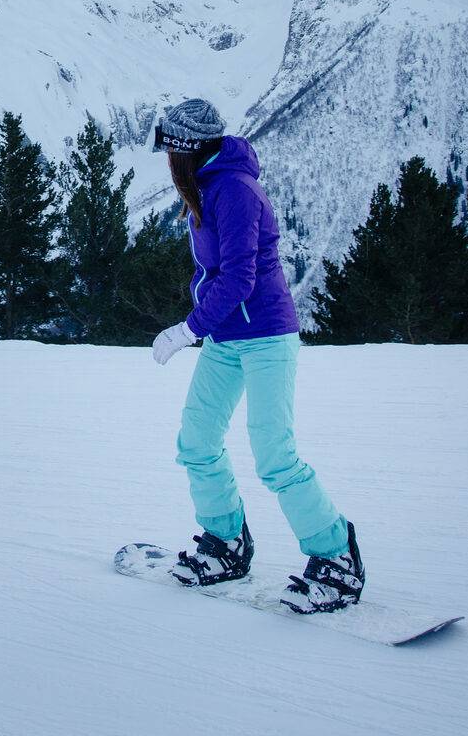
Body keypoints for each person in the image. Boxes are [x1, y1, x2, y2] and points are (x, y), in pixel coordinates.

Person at [148, 98, 365, 613]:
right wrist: (204, 328)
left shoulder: (235, 190)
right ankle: (226, 542)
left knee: (275, 455)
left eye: (167, 150)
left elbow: (240, 278)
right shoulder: (206, 185)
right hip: (227, 339)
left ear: (185, 151)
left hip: (265, 335)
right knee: (197, 440)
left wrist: (187, 330)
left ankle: (336, 559)